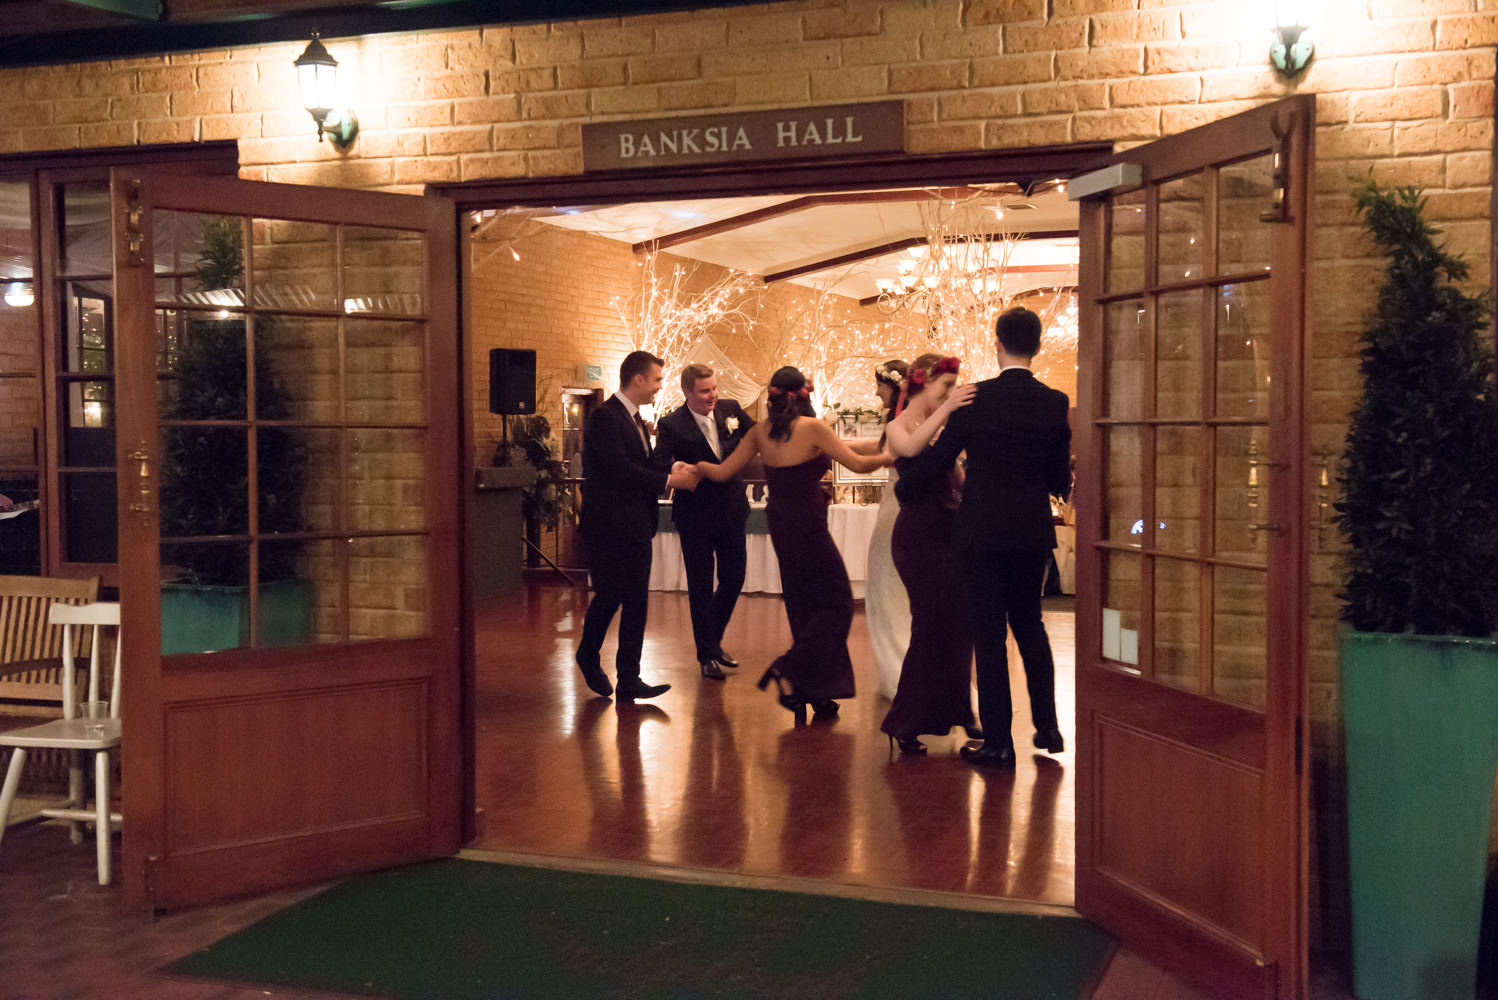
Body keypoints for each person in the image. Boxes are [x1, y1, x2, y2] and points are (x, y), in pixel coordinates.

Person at [897, 308, 1071, 768]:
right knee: (1031, 627)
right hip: (1031, 531)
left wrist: (905, 486)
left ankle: (999, 741)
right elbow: (1058, 477)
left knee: (990, 635)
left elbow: (941, 460)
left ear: (997, 344)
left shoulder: (977, 398)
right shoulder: (1055, 401)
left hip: (981, 532)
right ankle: (1048, 727)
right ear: (1037, 347)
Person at [695, 366, 892, 722]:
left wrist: (694, 467)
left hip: (782, 527)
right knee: (838, 604)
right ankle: (789, 670)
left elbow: (722, 472)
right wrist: (899, 456)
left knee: (803, 605)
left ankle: (809, 691)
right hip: (809, 525)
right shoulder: (812, 428)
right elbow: (860, 464)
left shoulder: (759, 432)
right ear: (803, 394)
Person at [575, 350, 700, 702]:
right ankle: (587, 653)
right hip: (608, 527)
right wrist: (668, 482)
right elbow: (620, 470)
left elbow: (641, 464)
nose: (660, 387)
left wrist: (669, 471)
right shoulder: (604, 417)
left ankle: (630, 677)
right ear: (639, 379)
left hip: (636, 525)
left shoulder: (636, 419)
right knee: (611, 595)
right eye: (657, 379)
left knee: (636, 603)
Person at [879, 353, 981, 754]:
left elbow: (953, 478)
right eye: (946, 388)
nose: (951, 395)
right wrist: (948, 413)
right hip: (918, 538)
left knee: (959, 625)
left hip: (949, 533)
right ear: (923, 384)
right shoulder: (898, 426)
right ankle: (905, 720)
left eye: (954, 389)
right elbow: (908, 448)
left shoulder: (941, 429)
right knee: (930, 625)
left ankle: (960, 711)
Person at [652, 363, 756, 681]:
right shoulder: (671, 423)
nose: (713, 396)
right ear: (687, 393)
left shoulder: (732, 409)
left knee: (734, 577)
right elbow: (660, 461)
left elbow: (757, 435)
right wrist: (677, 466)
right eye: (705, 391)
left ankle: (712, 638)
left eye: (714, 388)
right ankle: (707, 654)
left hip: (731, 509)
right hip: (695, 513)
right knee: (699, 584)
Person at [861, 359, 912, 700]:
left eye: (880, 384)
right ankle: (895, 670)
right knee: (887, 590)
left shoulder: (903, 422)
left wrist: (826, 446)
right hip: (893, 504)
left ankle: (902, 673)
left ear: (894, 387)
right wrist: (832, 445)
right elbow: (880, 451)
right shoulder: (899, 420)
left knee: (887, 588)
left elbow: (885, 457)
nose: (876, 390)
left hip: (896, 509)